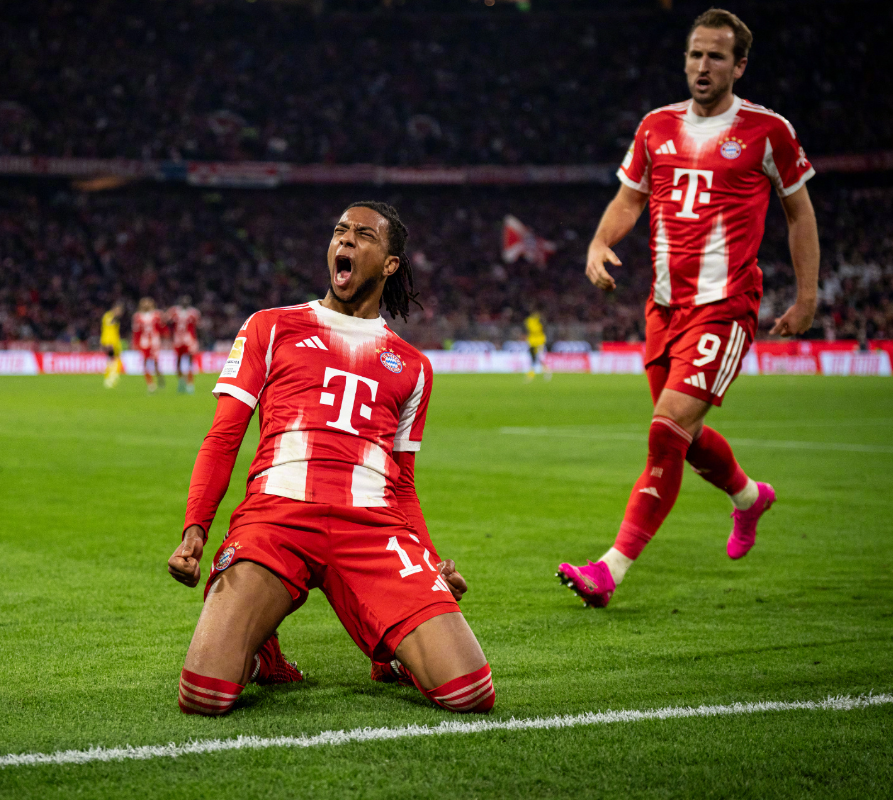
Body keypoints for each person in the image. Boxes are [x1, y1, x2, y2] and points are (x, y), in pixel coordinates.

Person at [167, 202, 494, 716]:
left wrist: (430, 560)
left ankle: (394, 654)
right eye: (340, 231)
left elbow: (402, 484)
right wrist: (195, 529)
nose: (345, 240)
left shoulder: (413, 367)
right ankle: (261, 654)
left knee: (470, 692)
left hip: (372, 528)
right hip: (276, 518)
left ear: (390, 264)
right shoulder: (271, 327)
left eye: (364, 235)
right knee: (203, 694)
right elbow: (224, 437)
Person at [557, 8, 819, 607]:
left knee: (665, 431)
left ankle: (610, 569)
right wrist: (598, 244)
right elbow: (629, 199)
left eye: (716, 56)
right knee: (686, 438)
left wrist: (807, 297)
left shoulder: (767, 131)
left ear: (739, 65)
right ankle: (750, 497)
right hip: (663, 308)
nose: (704, 66)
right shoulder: (656, 127)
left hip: (725, 306)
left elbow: (799, 213)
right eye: (696, 54)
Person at [167, 296, 201, 394]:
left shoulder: (193, 313)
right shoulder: (174, 311)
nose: (185, 302)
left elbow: (197, 327)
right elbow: (168, 323)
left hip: (189, 340)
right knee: (178, 361)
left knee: (190, 361)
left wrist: (196, 340)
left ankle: (190, 383)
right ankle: (181, 381)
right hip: (178, 340)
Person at [132, 297, 166, 393]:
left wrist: (165, 338)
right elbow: (136, 331)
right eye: (144, 303)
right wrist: (135, 343)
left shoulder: (157, 315)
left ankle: (159, 376)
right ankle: (150, 384)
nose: (146, 305)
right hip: (144, 342)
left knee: (155, 361)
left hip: (155, 341)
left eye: (148, 303)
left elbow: (162, 328)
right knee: (145, 362)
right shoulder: (137, 316)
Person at [100, 302, 124, 388]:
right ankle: (111, 376)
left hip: (111, 340)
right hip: (110, 340)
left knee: (112, 358)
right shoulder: (111, 316)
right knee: (113, 358)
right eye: (119, 311)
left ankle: (111, 375)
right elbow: (109, 325)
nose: (120, 313)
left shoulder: (107, 316)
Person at [524, 310, 551, 382]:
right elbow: (528, 330)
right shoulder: (529, 320)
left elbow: (543, 327)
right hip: (532, 342)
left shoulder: (539, 319)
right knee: (533, 359)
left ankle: (547, 371)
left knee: (539, 358)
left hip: (539, 342)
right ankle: (531, 375)